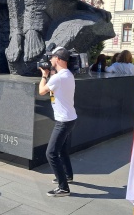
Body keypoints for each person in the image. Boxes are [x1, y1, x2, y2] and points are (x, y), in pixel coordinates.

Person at [38, 47, 77, 197]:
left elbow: (41, 91)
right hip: (70, 118)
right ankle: (67, 175)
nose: (50, 60)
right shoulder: (67, 75)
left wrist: (44, 75)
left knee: (51, 153)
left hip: (63, 121)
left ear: (59, 59)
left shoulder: (58, 77)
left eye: (52, 57)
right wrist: (51, 75)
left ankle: (63, 187)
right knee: (62, 150)